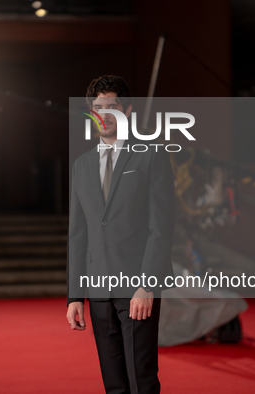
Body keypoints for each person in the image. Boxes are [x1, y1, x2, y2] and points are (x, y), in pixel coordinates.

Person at [66, 75, 175, 394]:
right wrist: (75, 295)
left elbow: (161, 226)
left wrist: (147, 284)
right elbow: (77, 234)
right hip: (98, 287)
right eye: (96, 108)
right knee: (113, 383)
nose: (103, 114)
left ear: (126, 111)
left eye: (111, 107)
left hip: (136, 286)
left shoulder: (150, 156)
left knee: (141, 378)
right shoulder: (81, 165)